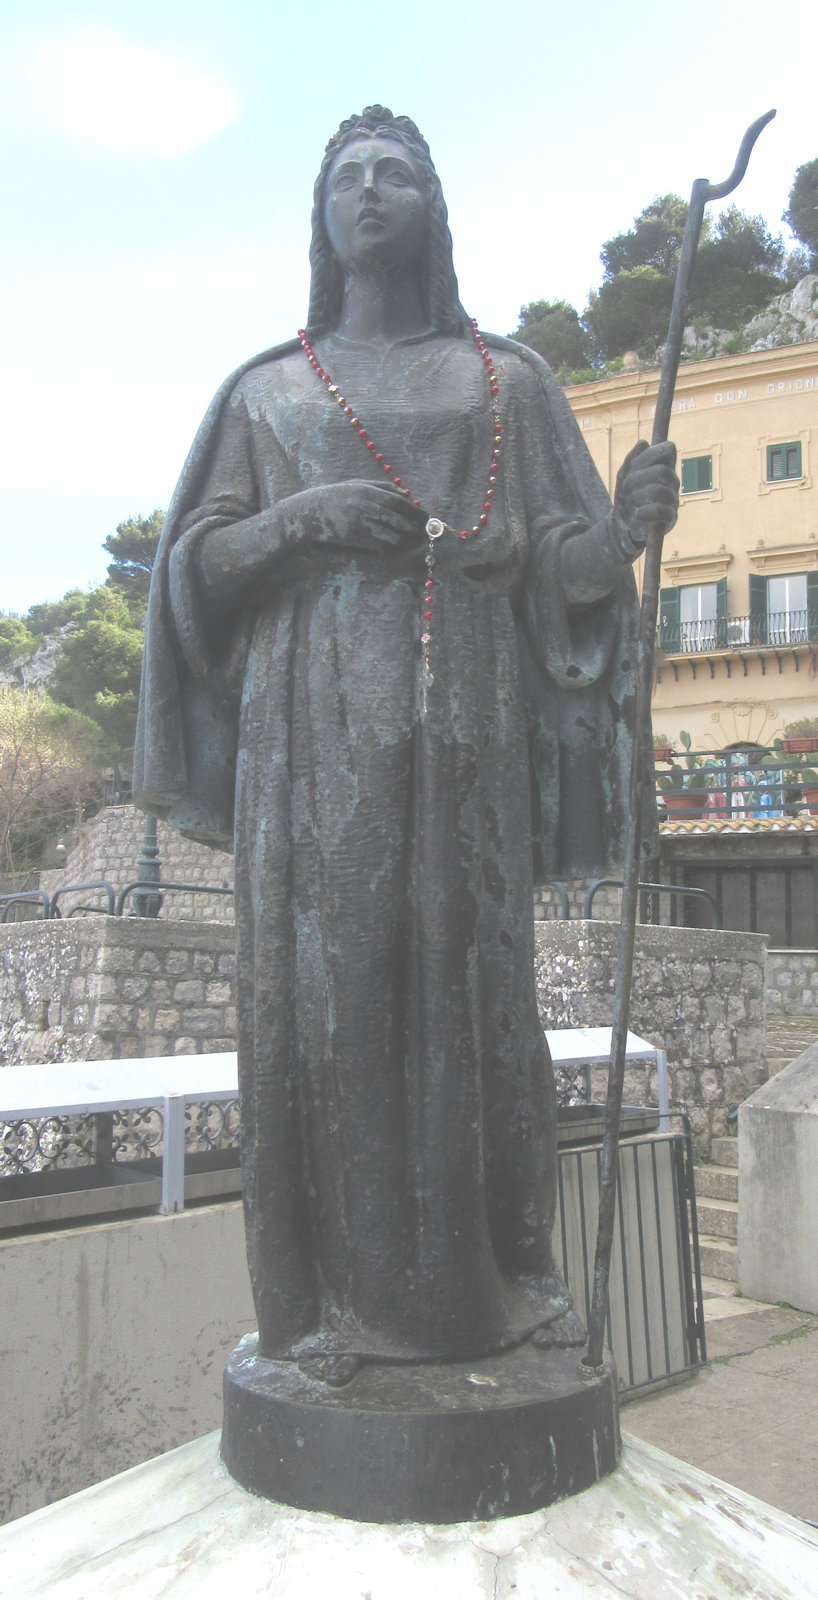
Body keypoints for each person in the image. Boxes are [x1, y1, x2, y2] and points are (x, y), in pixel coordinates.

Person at [134, 106, 678, 1386]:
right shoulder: (266, 392)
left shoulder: (511, 382)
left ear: (434, 209)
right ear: (321, 218)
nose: (372, 192)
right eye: (349, 179)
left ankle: (489, 1290)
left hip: (470, 733)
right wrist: (302, 520)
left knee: (471, 988)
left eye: (398, 175)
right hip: (310, 745)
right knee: (328, 1001)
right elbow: (192, 569)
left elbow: (564, 568)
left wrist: (624, 535)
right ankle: (328, 1308)